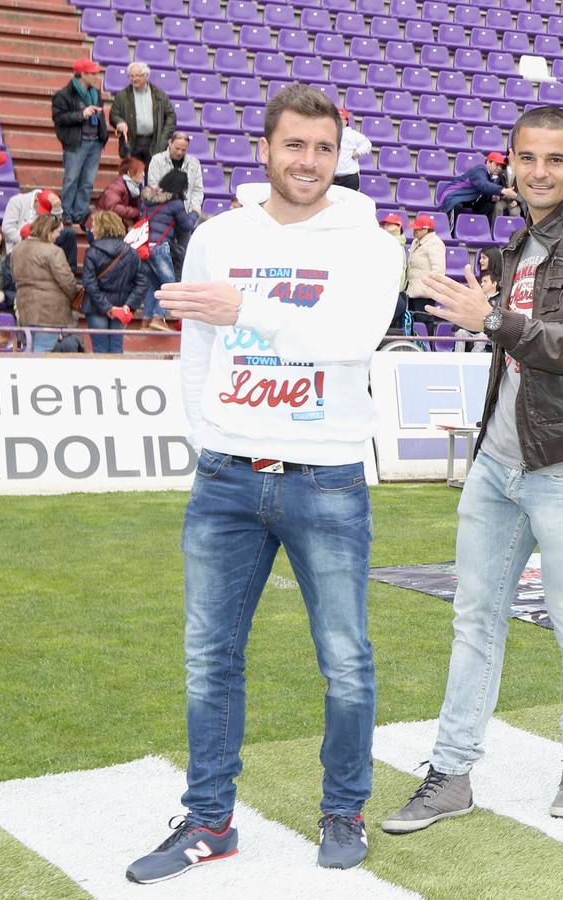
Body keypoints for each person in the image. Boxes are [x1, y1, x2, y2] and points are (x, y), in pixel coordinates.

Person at [124, 83, 402, 884]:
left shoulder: (368, 242)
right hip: (227, 476)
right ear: (265, 148)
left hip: (327, 478)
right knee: (209, 659)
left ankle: (343, 810)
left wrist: (248, 305)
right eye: (294, 146)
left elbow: (350, 339)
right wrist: (205, 440)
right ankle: (209, 822)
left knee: (345, 660)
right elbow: (198, 352)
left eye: (323, 148)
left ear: (340, 152)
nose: (308, 162)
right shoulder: (217, 235)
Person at [382, 105, 563, 834]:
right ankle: (452, 771)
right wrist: (493, 316)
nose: (540, 172)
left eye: (555, 159)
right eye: (528, 158)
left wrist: (490, 319)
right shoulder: (522, 240)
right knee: (474, 618)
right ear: (511, 163)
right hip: (499, 460)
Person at [9, 214, 79, 352]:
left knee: (30, 347)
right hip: (50, 312)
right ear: (48, 230)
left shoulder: (17, 249)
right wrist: (75, 297)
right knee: (42, 350)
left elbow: (13, 276)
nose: (59, 235)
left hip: (25, 307)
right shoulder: (54, 251)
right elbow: (67, 280)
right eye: (58, 231)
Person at [53, 57, 110, 225]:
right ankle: (66, 212)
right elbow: (59, 118)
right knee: (71, 179)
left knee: (88, 181)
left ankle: (80, 212)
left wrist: (102, 133)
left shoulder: (95, 93)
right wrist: (82, 115)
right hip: (76, 143)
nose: (95, 76)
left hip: (95, 142)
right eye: (92, 73)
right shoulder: (63, 95)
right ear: (82, 74)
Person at [138, 169, 198, 331]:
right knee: (169, 285)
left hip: (144, 247)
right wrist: (194, 214)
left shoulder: (148, 201)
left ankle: (146, 320)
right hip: (160, 247)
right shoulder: (175, 204)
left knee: (154, 285)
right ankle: (158, 317)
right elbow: (187, 226)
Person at [81, 209, 146, 352]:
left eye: (94, 226)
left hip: (96, 307)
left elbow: (89, 284)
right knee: (117, 347)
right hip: (122, 305)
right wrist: (129, 305)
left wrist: (107, 307)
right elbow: (142, 282)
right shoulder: (131, 253)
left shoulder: (92, 252)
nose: (91, 229)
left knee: (100, 349)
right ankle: (117, 375)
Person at [109, 62, 175, 166]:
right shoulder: (122, 96)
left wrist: (163, 139)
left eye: (137, 76)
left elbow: (171, 116)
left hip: (154, 142)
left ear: (146, 76)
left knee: (153, 178)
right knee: (132, 176)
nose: (134, 79)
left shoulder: (159, 94)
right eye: (131, 76)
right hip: (133, 142)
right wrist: (119, 122)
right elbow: (114, 115)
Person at [438, 151, 518, 221]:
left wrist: (494, 197)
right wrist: (503, 190)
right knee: (456, 206)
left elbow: (484, 192)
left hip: (470, 199)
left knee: (489, 207)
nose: (499, 168)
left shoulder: (492, 176)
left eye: (502, 166)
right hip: (454, 197)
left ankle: (482, 231)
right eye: (497, 164)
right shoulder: (480, 169)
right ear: (488, 162)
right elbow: (483, 185)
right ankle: (451, 235)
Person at [403, 214, 446, 333]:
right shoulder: (416, 242)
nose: (414, 230)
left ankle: (426, 350)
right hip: (413, 291)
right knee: (413, 323)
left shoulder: (435, 243)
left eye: (417, 228)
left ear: (426, 229)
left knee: (424, 324)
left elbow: (438, 270)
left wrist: (429, 289)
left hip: (425, 294)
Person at [148, 131, 206, 216]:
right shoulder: (156, 160)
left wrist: (194, 209)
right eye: (177, 148)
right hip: (163, 211)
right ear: (170, 143)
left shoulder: (194, 163)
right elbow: (154, 185)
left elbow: (197, 189)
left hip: (186, 212)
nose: (180, 152)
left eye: (183, 150)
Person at [96, 156, 148, 226]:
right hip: (102, 225)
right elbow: (113, 207)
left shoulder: (137, 188)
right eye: (140, 172)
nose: (143, 175)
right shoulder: (116, 186)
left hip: (117, 225)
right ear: (130, 173)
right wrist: (137, 212)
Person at [333, 108, 372, 192]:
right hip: (333, 176)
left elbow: (367, 144)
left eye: (341, 118)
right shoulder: (329, 133)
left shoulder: (353, 134)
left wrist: (358, 152)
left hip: (350, 176)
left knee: (351, 203)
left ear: (346, 120)